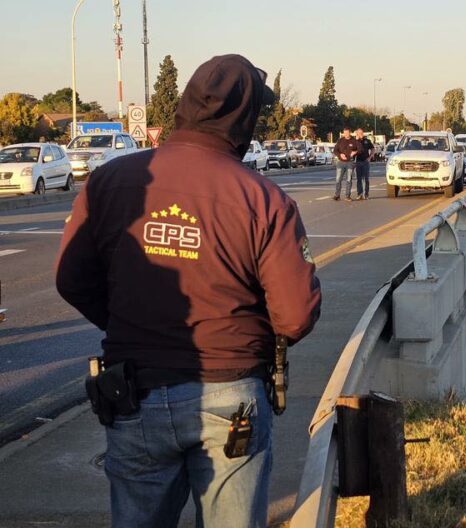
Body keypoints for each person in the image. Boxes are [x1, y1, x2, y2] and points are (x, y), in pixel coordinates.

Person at [55, 54, 322, 528]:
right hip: (232, 392)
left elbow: (72, 280)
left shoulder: (111, 181)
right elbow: (295, 317)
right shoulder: (263, 199)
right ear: (247, 117)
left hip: (133, 390)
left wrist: (129, 322)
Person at [332, 128, 360, 201]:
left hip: (350, 163)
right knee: (338, 179)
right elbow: (335, 150)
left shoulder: (354, 141)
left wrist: (355, 152)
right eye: (344, 133)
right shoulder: (340, 140)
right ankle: (337, 195)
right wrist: (340, 155)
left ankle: (348, 196)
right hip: (340, 163)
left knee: (348, 180)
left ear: (350, 133)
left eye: (347, 133)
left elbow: (361, 149)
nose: (346, 135)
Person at [354, 128, 374, 200]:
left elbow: (373, 149)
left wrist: (370, 157)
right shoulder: (355, 141)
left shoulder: (367, 141)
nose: (360, 134)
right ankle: (360, 194)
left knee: (366, 179)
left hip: (365, 162)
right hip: (358, 162)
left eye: (361, 133)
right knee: (359, 179)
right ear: (357, 134)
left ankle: (366, 194)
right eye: (359, 133)